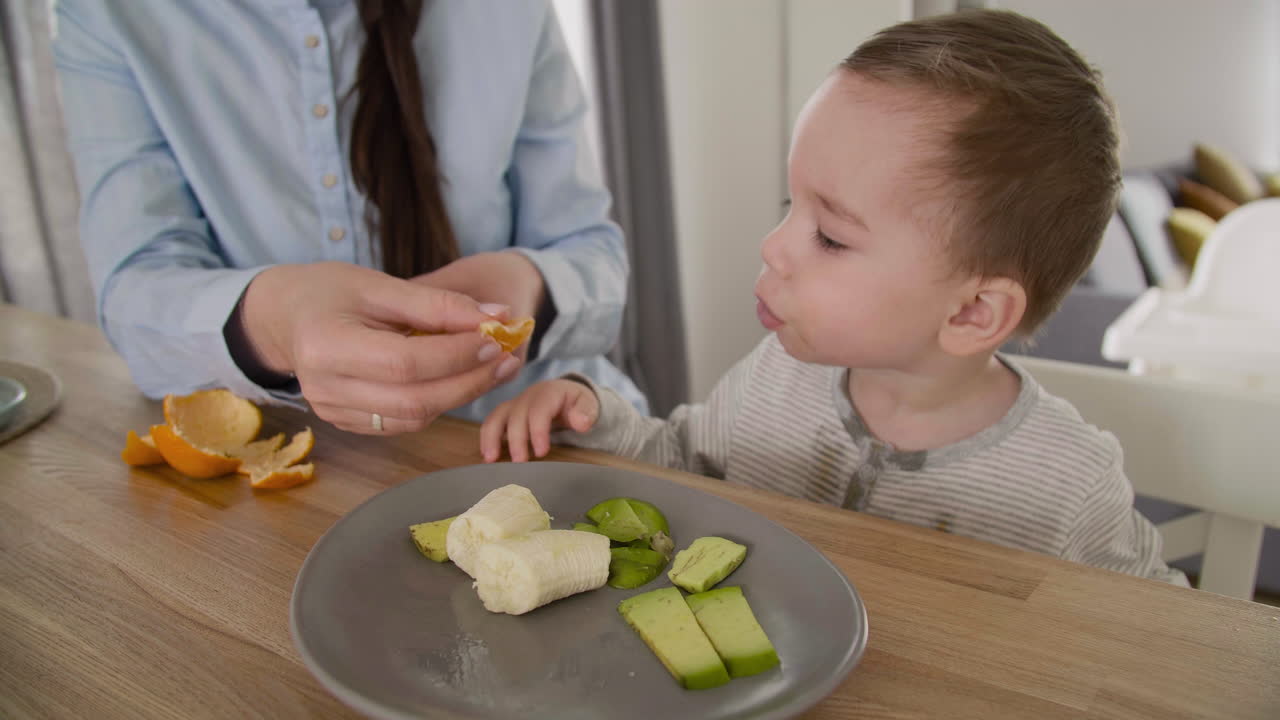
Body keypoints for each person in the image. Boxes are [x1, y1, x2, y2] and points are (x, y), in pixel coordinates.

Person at [479, 9, 1186, 584]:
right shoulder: (774, 378)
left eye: (832, 238)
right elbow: (681, 463)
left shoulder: (1068, 484)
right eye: (792, 204)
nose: (773, 245)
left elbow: (1164, 637)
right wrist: (597, 417)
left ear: (973, 313)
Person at [52, 0, 646, 436]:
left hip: (548, 431)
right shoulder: (108, 15)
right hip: (309, 476)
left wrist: (530, 289)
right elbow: (135, 288)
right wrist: (274, 325)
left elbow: (592, 253)